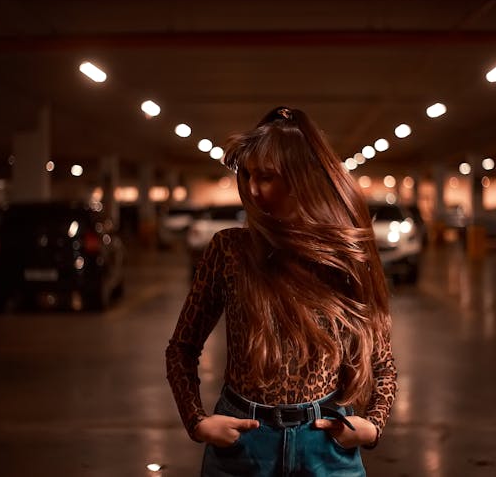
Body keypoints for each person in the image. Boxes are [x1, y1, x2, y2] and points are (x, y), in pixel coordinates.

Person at [166, 106, 397, 476]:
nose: (253, 189)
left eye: (267, 177)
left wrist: (373, 426)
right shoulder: (229, 249)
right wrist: (196, 421)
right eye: (249, 175)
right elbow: (182, 348)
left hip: (325, 443)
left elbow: (382, 361)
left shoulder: (342, 253)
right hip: (244, 442)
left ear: (301, 179)